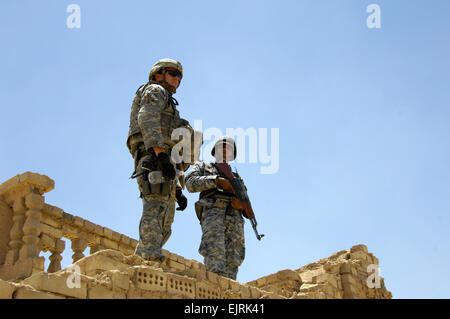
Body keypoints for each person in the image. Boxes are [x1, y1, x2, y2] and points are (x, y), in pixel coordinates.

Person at [126, 58, 191, 262]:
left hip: (166, 161)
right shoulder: (155, 90)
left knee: (165, 220)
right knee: (155, 208)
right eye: (173, 73)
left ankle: (143, 257)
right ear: (158, 74)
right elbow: (147, 117)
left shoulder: (171, 104)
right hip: (154, 157)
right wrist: (159, 153)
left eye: (179, 76)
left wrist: (178, 188)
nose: (177, 79)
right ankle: (149, 259)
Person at [185, 137, 246, 280]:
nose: (225, 150)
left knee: (233, 260)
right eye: (222, 147)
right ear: (214, 151)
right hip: (214, 211)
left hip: (235, 218)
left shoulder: (237, 178)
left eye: (229, 148)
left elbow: (246, 202)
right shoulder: (204, 167)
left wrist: (240, 205)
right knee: (214, 254)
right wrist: (216, 181)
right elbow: (190, 183)